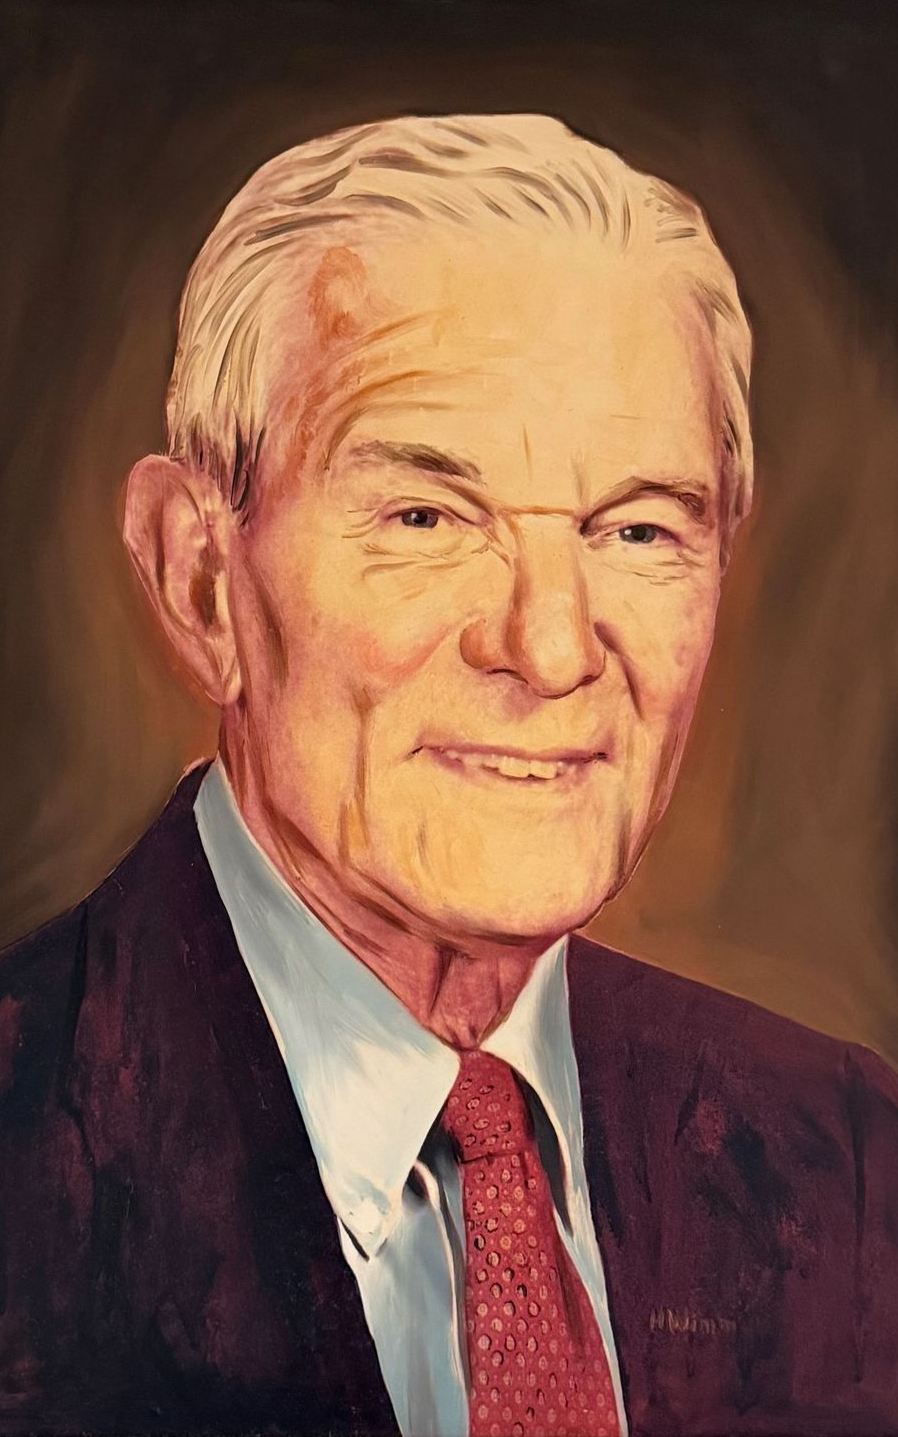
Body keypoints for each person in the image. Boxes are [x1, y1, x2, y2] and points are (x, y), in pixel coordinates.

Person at [0, 112, 896, 1437]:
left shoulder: (853, 1158)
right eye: (428, 517)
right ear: (199, 578)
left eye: (635, 527)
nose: (546, 647)